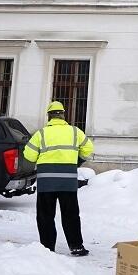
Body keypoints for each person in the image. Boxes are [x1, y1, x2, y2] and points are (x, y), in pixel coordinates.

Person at [23, 101, 93, 256]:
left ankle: (48, 248)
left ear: (49, 116)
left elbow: (28, 154)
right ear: (63, 115)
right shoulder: (75, 132)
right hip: (67, 182)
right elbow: (89, 149)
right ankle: (76, 247)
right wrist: (77, 160)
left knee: (46, 216)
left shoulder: (41, 134)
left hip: (46, 182)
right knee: (71, 215)